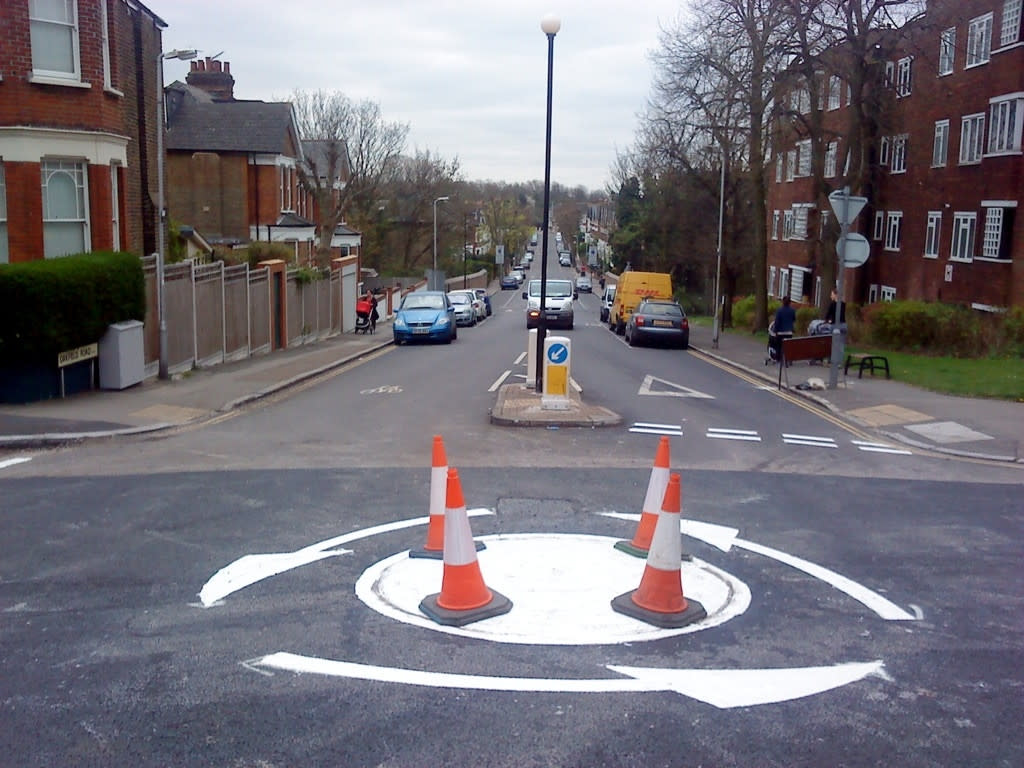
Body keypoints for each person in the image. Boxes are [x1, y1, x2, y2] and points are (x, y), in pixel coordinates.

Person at [772, 296, 796, 364]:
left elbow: (777, 322)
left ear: (783, 302)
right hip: (789, 332)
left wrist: (775, 331)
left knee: (779, 345)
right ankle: (788, 359)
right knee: (788, 346)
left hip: (780, 332)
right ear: (790, 303)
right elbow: (794, 319)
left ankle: (778, 359)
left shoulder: (779, 310)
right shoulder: (792, 310)